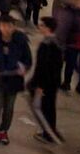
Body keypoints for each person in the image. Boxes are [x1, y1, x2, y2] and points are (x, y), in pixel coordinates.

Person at [0, 14, 32, 145]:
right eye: (3, 26)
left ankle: (4, 130)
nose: (6, 29)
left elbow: (28, 59)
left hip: (13, 80)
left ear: (14, 27)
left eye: (9, 26)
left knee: (9, 107)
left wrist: (24, 68)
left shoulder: (21, 41)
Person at [27, 16, 64, 144]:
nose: (39, 27)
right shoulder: (56, 43)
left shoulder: (46, 45)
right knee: (50, 107)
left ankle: (49, 134)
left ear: (48, 28)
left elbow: (43, 67)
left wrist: (39, 85)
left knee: (43, 108)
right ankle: (51, 130)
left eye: (42, 25)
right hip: (53, 82)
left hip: (45, 83)